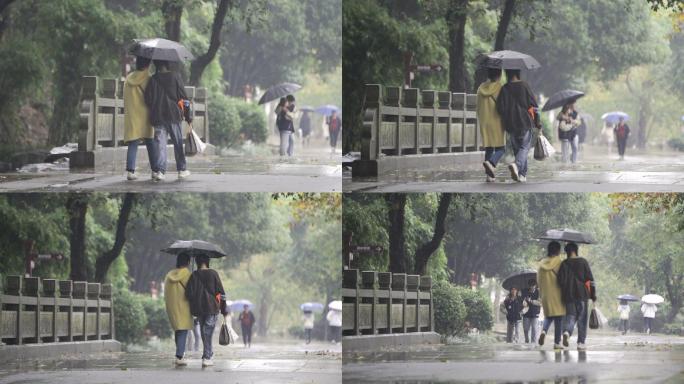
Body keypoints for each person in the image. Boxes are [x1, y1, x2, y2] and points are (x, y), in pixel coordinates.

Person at [143, 59, 191, 181]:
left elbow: (147, 99)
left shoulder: (153, 79)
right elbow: (184, 97)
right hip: (173, 115)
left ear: (156, 65)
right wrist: (188, 116)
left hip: (158, 116)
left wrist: (155, 105)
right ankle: (181, 170)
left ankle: (161, 171)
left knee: (160, 145)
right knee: (178, 143)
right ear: (167, 64)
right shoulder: (175, 76)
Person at [496, 69, 541, 182]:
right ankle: (517, 165)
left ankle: (522, 175)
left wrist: (507, 116)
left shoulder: (504, 88)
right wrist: (537, 122)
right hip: (524, 121)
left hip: (510, 123)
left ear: (508, 74)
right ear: (517, 74)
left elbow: (499, 108)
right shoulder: (524, 86)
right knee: (524, 147)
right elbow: (534, 106)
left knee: (518, 149)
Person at [185, 254, 229, 367]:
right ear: (207, 261)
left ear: (197, 262)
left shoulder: (194, 274)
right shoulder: (213, 273)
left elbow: (188, 294)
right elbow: (221, 293)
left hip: (199, 308)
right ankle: (207, 355)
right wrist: (224, 309)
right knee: (207, 331)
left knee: (205, 331)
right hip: (212, 307)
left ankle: (207, 355)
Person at [124, 56, 157, 181]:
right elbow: (152, 97)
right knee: (150, 142)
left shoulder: (129, 79)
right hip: (146, 115)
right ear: (148, 65)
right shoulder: (148, 79)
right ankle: (155, 171)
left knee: (133, 142)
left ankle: (130, 171)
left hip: (133, 114)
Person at [558, 242, 596, 351]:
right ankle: (580, 343)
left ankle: (566, 332)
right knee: (582, 319)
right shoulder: (583, 262)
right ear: (575, 250)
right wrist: (593, 296)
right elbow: (590, 280)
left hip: (568, 296)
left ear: (567, 252)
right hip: (582, 294)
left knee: (571, 317)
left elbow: (560, 281)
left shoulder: (564, 264)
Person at [476, 67, 505, 182]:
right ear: (499, 75)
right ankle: (491, 163)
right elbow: (503, 106)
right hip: (496, 121)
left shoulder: (480, 88)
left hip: (484, 121)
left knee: (488, 148)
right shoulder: (500, 88)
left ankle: (489, 176)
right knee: (501, 148)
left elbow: (477, 106)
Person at [163, 253, 193, 365]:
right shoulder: (187, 274)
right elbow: (191, 291)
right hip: (184, 306)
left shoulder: (169, 275)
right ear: (188, 262)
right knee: (183, 330)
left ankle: (179, 354)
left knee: (178, 329)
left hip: (172, 307)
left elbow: (166, 292)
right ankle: (179, 356)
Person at [538, 241, 566, 350]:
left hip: (546, 294)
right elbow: (564, 278)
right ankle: (557, 343)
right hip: (558, 294)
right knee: (558, 318)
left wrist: (542, 293)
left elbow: (538, 281)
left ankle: (544, 331)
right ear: (558, 250)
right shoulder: (559, 262)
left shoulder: (541, 264)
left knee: (548, 316)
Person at [522, 279, 541, 344]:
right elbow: (521, 300)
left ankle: (533, 343)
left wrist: (531, 301)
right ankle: (526, 339)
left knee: (534, 329)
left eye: (533, 286)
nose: (532, 287)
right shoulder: (524, 291)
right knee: (526, 329)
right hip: (526, 314)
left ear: (536, 285)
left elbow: (540, 303)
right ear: (529, 286)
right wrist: (524, 301)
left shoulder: (539, 292)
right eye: (531, 286)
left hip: (535, 313)